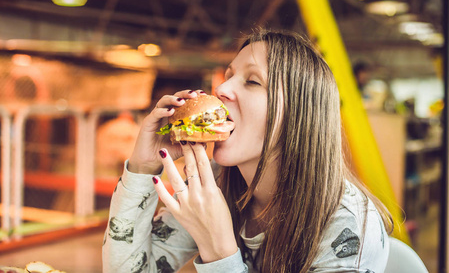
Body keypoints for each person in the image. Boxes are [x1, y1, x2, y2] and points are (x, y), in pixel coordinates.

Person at [102, 30, 394, 273]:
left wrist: (219, 251)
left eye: (252, 80)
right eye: (228, 76)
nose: (222, 88)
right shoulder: (218, 181)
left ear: (299, 115)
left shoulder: (348, 227)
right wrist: (142, 167)